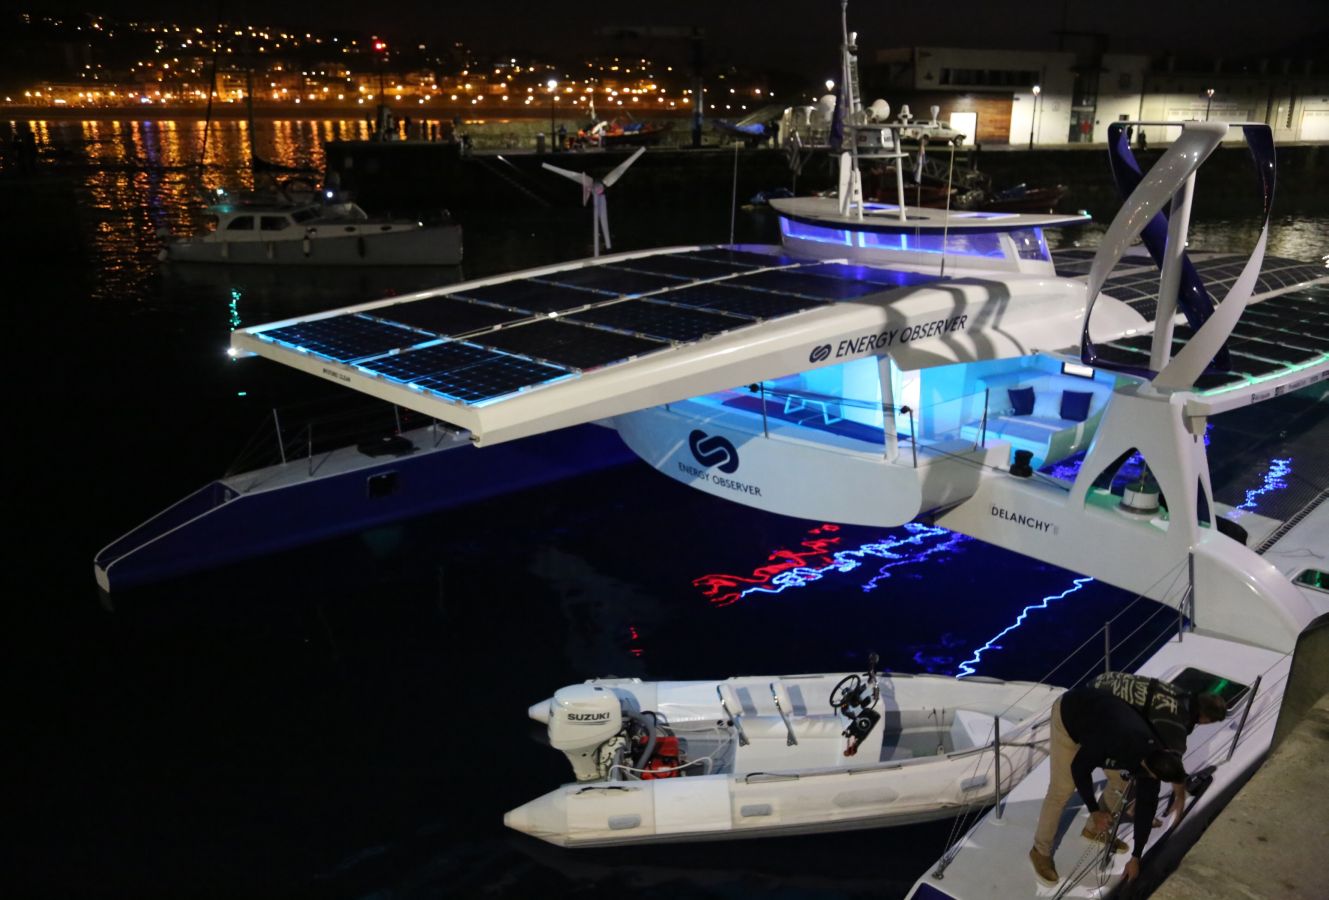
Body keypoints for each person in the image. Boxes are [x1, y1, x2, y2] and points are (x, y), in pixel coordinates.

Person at [1030, 685, 1188, 887]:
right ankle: (1039, 851)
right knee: (1062, 789)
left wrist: (1136, 856)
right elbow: (1079, 768)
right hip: (1070, 715)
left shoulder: (1156, 754)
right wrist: (1094, 810)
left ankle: (1094, 830)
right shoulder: (1112, 741)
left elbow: (1146, 808)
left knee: (1122, 782)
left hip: (1101, 721)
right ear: (1151, 770)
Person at [1090, 671, 1227, 828]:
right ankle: (1096, 828)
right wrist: (1180, 798)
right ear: (1205, 719)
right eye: (1209, 722)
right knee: (1122, 779)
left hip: (1101, 682)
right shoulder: (1176, 724)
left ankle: (1136, 807)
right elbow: (1173, 767)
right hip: (1094, 713)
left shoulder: (1178, 693)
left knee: (1147, 758)